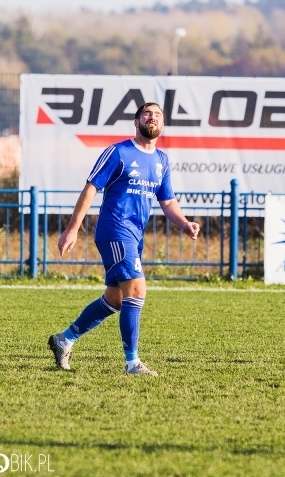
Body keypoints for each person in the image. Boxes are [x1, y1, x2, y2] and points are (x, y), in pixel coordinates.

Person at [47, 102, 200, 376]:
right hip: (115, 231)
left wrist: (184, 223)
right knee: (137, 290)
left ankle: (64, 339)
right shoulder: (118, 153)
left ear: (162, 125)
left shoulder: (161, 160)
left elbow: (167, 201)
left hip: (134, 235)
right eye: (146, 114)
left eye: (157, 115)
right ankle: (132, 363)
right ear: (136, 121)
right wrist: (72, 229)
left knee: (115, 299)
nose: (151, 118)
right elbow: (91, 188)